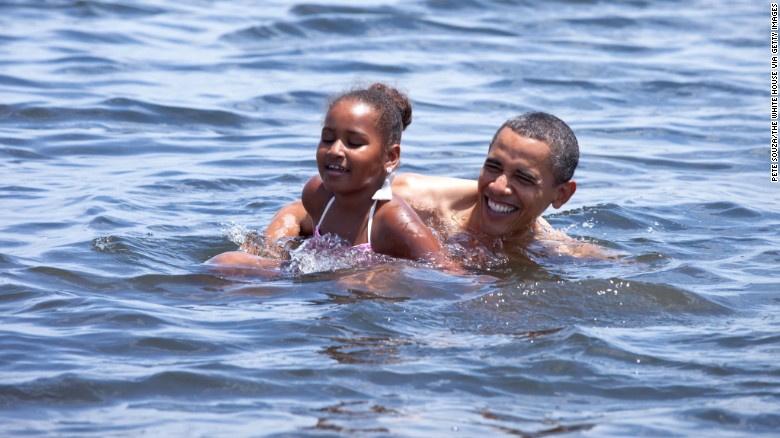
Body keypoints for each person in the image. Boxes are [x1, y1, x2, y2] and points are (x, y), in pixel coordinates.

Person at [265, 111, 609, 259]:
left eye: (523, 178)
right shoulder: (416, 199)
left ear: (561, 195)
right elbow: (297, 213)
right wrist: (271, 255)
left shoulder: (554, 249)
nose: (499, 187)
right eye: (493, 167)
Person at [207, 82, 446, 272]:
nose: (335, 151)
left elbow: (445, 273)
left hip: (369, 296)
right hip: (320, 295)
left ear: (390, 157)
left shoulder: (392, 219)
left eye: (354, 143)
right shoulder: (317, 194)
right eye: (328, 139)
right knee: (225, 262)